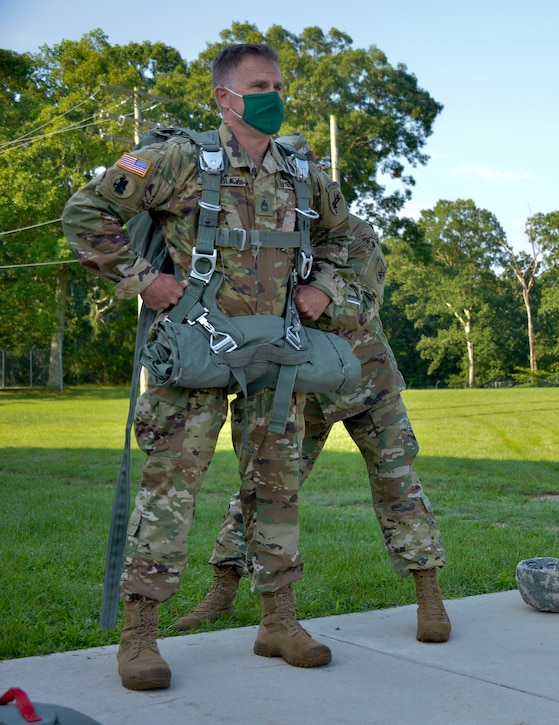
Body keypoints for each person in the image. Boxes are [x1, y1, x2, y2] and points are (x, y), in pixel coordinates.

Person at [62, 43, 353, 690]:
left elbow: (349, 237)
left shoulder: (300, 170)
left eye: (279, 83)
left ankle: (279, 619)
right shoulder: (177, 158)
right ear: (225, 97)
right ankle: (139, 635)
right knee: (171, 488)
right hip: (193, 347)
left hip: (274, 352)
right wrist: (143, 279)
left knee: (275, 488)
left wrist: (324, 289)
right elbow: (87, 211)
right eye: (259, 84)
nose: (274, 94)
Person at [176, 198, 452, 643]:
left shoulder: (356, 234)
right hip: (296, 384)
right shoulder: (268, 237)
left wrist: (318, 296)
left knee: (398, 484)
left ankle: (429, 596)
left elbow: (364, 304)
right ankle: (222, 588)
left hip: (367, 379)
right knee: (264, 487)